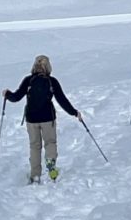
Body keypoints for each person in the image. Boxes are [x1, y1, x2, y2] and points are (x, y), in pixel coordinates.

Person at [4, 54, 82, 182]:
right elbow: (62, 100)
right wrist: (74, 112)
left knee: (35, 146)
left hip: (31, 119)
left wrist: (7, 94)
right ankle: (51, 164)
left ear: (34, 66)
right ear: (48, 66)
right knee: (50, 142)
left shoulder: (28, 80)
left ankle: (35, 175)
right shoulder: (52, 81)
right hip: (48, 118)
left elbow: (16, 97)